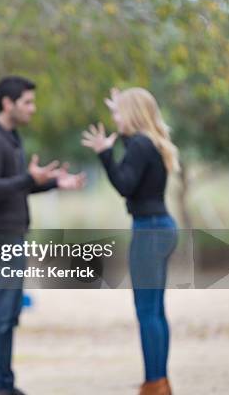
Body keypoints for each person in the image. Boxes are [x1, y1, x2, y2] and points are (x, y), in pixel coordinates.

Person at [0, 76, 86, 395]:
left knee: (9, 314)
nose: (32, 109)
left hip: (12, 234)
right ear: (8, 103)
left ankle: (4, 384)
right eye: (27, 102)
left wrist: (51, 183)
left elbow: (16, 185)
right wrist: (27, 178)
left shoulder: (10, 137)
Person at [82, 87, 179, 395]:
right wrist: (116, 134)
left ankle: (154, 383)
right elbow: (134, 171)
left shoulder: (138, 145)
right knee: (156, 310)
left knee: (146, 311)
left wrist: (104, 154)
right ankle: (159, 380)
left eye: (119, 112)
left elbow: (125, 183)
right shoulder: (149, 143)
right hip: (162, 225)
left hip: (149, 230)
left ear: (133, 114)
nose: (115, 118)